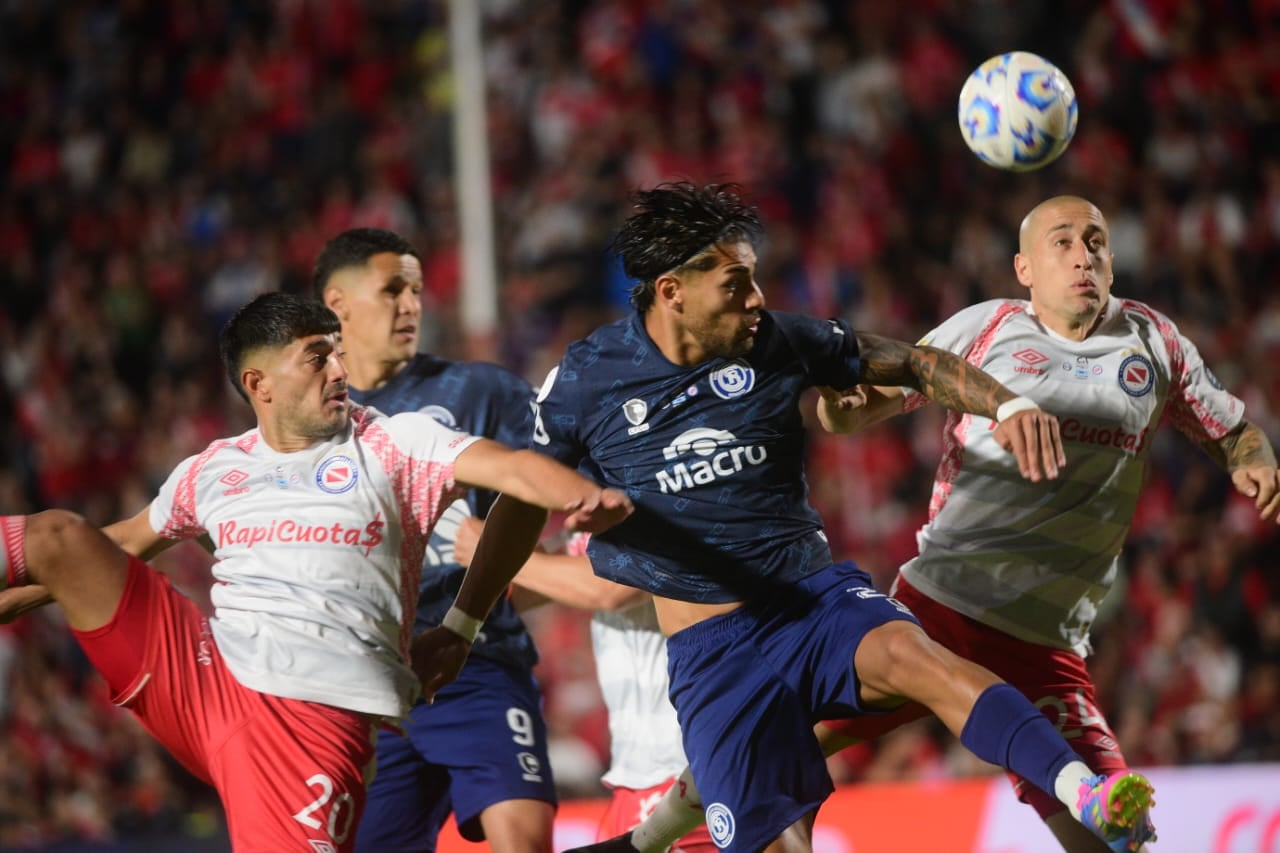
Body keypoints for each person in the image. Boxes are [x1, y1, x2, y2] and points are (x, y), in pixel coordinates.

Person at [411, 182, 1156, 853]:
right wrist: (463, 624)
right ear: (671, 291)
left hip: (813, 601)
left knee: (923, 660)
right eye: (736, 284)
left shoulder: (776, 342)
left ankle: (1078, 787)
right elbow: (519, 507)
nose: (757, 298)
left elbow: (908, 362)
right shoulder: (587, 379)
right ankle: (669, 820)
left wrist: (1009, 401)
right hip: (712, 655)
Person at [576, 194, 1265, 853]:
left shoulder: (1153, 340)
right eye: (1063, 243)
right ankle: (658, 833)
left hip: (1049, 640)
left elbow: (1233, 430)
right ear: (1025, 269)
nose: (1083, 255)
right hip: (946, 604)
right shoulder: (987, 328)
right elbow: (870, 396)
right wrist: (849, 408)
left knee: (1123, 838)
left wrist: (1253, 461)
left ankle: (655, 835)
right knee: (776, 733)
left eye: (1096, 243)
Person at [0, 292, 632, 851]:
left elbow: (512, 469)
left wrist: (578, 492)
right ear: (260, 383)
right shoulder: (212, 469)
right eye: (316, 356)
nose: (339, 369)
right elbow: (122, 544)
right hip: (203, 676)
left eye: (336, 352)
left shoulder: (396, 442)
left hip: (307, 728)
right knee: (61, 537)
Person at [315, 227, 559, 853]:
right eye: (392, 289)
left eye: (417, 290)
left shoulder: (481, 391)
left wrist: (480, 605)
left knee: (522, 837)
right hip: (366, 683)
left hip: (473, 664)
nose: (411, 305)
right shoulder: (312, 423)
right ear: (336, 303)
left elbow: (533, 519)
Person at [453, 518, 717, 853]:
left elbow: (611, 589)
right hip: (634, 778)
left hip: (684, 769)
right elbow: (516, 594)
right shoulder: (590, 531)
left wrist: (496, 550)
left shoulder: (679, 509)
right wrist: (491, 557)